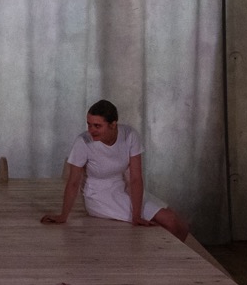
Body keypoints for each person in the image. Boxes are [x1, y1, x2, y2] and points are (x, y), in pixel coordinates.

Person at [40, 100, 189, 242]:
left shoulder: (129, 135)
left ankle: (179, 260)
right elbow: (73, 183)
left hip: (122, 187)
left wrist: (136, 215)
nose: (91, 130)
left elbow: (136, 178)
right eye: (89, 124)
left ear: (113, 124)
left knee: (178, 223)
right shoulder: (83, 141)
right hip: (98, 196)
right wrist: (63, 216)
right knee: (167, 221)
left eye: (97, 126)